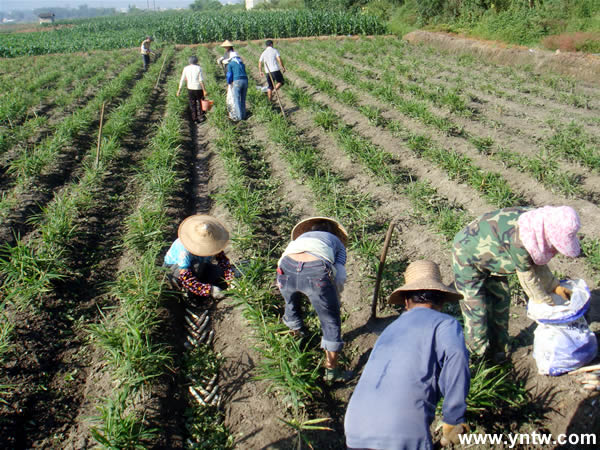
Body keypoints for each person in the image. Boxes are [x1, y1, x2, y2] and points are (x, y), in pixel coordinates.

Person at [344, 260, 470, 449]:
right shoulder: (445, 324)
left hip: (355, 427)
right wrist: (453, 418)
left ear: (405, 302)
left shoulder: (389, 330)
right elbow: (456, 360)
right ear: (442, 300)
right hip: (403, 428)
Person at [453, 205, 581, 361]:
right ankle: (479, 359)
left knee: (501, 301)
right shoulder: (520, 240)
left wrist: (559, 290)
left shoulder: (537, 223)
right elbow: (530, 283)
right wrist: (549, 304)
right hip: (467, 255)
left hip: (495, 255)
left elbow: (539, 266)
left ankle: (500, 349)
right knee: (477, 312)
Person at [276, 217, 351, 383]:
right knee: (330, 321)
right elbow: (339, 276)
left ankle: (298, 341)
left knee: (291, 307)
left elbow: (281, 260)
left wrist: (284, 287)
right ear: (334, 233)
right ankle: (332, 371)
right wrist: (334, 300)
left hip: (286, 266)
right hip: (316, 272)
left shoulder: (300, 239)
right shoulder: (337, 243)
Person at [164, 215, 235, 300]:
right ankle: (187, 293)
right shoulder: (184, 250)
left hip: (200, 266)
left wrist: (230, 279)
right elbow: (185, 276)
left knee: (218, 272)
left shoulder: (213, 244)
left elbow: (223, 260)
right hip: (175, 269)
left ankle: (202, 282)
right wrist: (209, 290)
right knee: (196, 267)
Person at [176, 56, 207, 124]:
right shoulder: (199, 68)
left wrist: (179, 90)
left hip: (190, 88)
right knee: (201, 102)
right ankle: (201, 117)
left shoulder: (186, 68)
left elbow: (182, 79)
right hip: (198, 88)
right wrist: (204, 90)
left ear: (189, 62)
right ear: (196, 61)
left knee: (192, 103)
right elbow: (201, 80)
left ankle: (194, 119)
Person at [225, 52, 248, 122]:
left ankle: (239, 117)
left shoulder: (231, 64)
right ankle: (244, 115)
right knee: (243, 99)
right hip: (245, 81)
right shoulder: (241, 63)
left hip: (237, 81)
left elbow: (229, 74)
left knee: (237, 99)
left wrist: (229, 82)